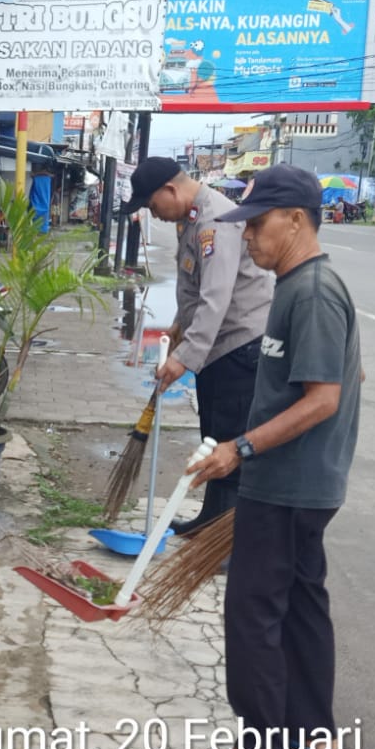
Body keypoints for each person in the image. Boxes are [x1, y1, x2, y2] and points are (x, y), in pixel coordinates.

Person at [185, 164, 363, 749]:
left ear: (295, 220)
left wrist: (241, 448)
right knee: (302, 602)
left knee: (254, 607)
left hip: (289, 484)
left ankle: (262, 747)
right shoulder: (295, 287)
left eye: (257, 224)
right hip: (301, 480)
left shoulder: (311, 292)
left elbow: (324, 399)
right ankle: (311, 727)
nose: (249, 236)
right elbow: (347, 375)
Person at [121, 157, 273, 535]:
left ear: (170, 190)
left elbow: (215, 299)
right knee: (213, 435)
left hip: (239, 346)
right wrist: (179, 327)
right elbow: (195, 288)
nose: (154, 214)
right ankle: (211, 519)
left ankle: (225, 540)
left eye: (152, 205)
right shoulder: (191, 218)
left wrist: (183, 358)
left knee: (229, 443)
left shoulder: (213, 222)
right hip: (218, 347)